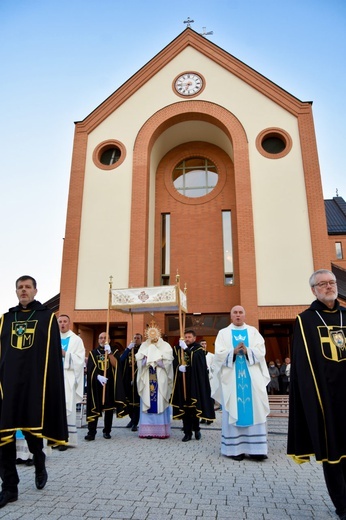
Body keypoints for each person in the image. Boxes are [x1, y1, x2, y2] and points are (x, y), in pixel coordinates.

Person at [0, 276, 68, 509]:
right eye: (20, 287)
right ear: (16, 291)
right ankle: (9, 487)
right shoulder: (6, 319)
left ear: (36, 290)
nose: (23, 290)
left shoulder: (46, 318)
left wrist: (49, 386)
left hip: (34, 385)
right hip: (8, 386)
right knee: (3, 438)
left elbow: (50, 356)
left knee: (32, 435)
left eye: (28, 287)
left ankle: (39, 461)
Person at [287, 269, 346, 520]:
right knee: (333, 455)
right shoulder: (305, 320)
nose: (329, 286)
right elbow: (303, 364)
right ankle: (343, 506)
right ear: (313, 290)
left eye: (331, 282)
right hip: (326, 399)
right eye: (322, 284)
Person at [210, 305, 270, 461]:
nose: (238, 315)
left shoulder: (253, 332)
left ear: (244, 315)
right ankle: (235, 450)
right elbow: (218, 355)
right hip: (231, 380)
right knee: (233, 408)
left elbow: (261, 352)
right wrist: (233, 352)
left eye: (240, 313)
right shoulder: (223, 333)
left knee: (255, 409)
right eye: (235, 313)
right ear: (231, 316)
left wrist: (248, 350)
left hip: (252, 380)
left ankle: (257, 450)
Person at [171, 330, 215, 441]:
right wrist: (178, 367)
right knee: (185, 409)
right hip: (183, 383)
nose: (187, 339)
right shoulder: (179, 349)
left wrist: (186, 349)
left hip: (194, 383)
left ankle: (197, 429)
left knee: (194, 409)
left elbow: (198, 363)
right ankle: (187, 432)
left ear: (194, 338)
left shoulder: (198, 350)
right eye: (185, 337)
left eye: (189, 337)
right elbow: (175, 362)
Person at [85, 332, 127, 440]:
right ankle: (91, 432)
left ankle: (107, 431)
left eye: (105, 338)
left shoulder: (114, 351)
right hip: (97, 384)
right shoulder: (93, 353)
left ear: (109, 339)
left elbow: (116, 365)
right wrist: (97, 376)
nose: (103, 340)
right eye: (101, 338)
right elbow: (89, 369)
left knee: (109, 409)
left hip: (109, 384)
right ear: (98, 340)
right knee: (94, 407)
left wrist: (110, 353)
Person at [135, 323, 173, 439]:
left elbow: (169, 360)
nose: (153, 338)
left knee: (160, 401)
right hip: (147, 377)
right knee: (148, 400)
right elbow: (139, 359)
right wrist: (145, 360)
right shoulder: (144, 346)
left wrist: (158, 361)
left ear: (158, 334)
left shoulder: (165, 345)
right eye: (150, 336)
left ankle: (161, 431)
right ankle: (147, 431)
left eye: (155, 335)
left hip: (160, 377)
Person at [57, 315, 85, 449]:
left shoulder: (76, 340)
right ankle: (55, 438)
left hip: (68, 377)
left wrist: (65, 354)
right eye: (60, 322)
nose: (62, 324)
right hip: (54, 376)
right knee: (55, 407)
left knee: (67, 407)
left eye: (65, 322)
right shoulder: (52, 338)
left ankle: (66, 438)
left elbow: (80, 360)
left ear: (69, 323)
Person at [120, 333, 142, 432]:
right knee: (128, 401)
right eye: (134, 338)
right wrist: (128, 348)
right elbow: (121, 360)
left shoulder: (143, 350)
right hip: (128, 378)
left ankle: (135, 422)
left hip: (138, 378)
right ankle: (131, 418)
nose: (136, 340)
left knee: (136, 402)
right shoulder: (129, 350)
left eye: (138, 338)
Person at [200, 339, 214, 424]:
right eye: (202, 344)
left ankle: (209, 417)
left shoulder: (211, 356)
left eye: (205, 344)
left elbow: (215, 366)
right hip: (201, 380)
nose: (204, 345)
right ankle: (203, 417)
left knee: (209, 399)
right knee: (202, 399)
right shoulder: (197, 355)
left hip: (210, 379)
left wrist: (209, 369)